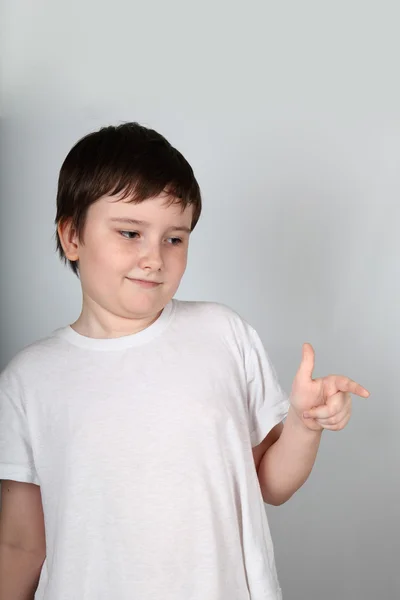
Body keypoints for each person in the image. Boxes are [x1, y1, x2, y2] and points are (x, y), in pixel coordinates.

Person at [0, 122, 369, 600]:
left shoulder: (221, 334)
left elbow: (271, 485)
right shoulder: (29, 380)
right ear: (72, 236)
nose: (154, 258)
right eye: (130, 233)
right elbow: (21, 543)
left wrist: (303, 424)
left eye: (174, 239)